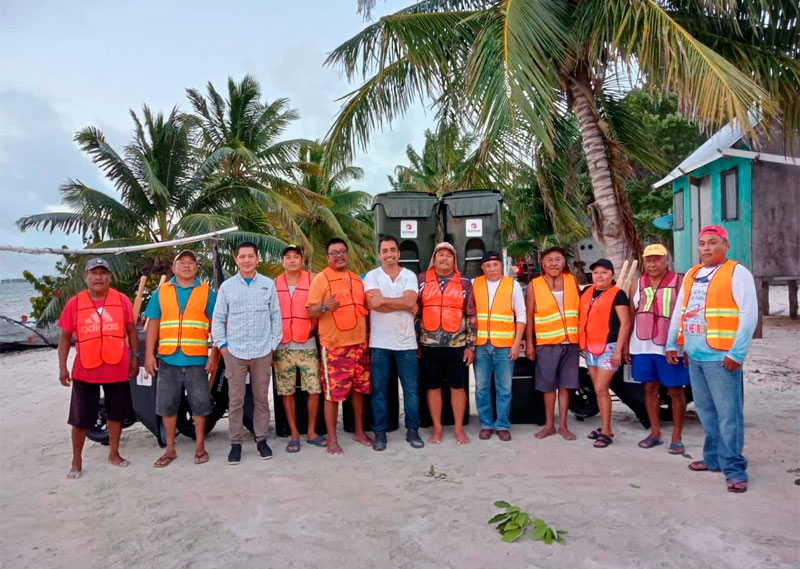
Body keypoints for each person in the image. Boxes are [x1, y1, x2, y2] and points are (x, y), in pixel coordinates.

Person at [666, 225, 758, 493]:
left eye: (713, 242)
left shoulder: (737, 272)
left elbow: (749, 315)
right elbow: (680, 311)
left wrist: (737, 353)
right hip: (695, 355)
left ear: (725, 245)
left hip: (722, 357)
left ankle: (734, 467)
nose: (706, 248)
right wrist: (674, 343)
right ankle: (713, 458)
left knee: (729, 415)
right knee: (706, 411)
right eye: (702, 243)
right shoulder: (692, 274)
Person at [57, 258, 138, 479]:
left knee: (117, 414)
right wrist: (62, 367)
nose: (99, 277)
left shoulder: (121, 301)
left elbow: (131, 330)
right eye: (94, 273)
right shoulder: (74, 303)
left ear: (110, 277)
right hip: (85, 369)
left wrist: (134, 358)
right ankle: (77, 460)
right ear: (86, 278)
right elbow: (64, 338)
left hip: (116, 367)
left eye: (103, 273)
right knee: (81, 419)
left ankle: (114, 454)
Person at [144, 250, 218, 467]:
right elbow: (153, 325)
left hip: (196, 360)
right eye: (182, 262)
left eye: (191, 263)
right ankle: (170, 449)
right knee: (167, 405)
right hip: (168, 359)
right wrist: (149, 354)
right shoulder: (161, 292)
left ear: (196, 269)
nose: (187, 266)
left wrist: (214, 354)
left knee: (200, 405)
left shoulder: (207, 292)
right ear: (173, 268)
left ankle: (200, 447)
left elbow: (217, 324)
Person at [212, 241, 282, 465]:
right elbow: (218, 319)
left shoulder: (267, 285)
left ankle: (261, 439)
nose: (247, 260)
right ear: (236, 260)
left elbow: (276, 318)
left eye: (250, 256)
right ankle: (236, 444)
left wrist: (272, 346)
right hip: (236, 353)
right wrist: (223, 348)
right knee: (235, 400)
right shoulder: (227, 287)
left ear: (257, 258)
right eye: (242, 257)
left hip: (262, 351)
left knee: (261, 399)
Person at [306, 238, 372, 455]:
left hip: (359, 344)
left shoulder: (356, 278)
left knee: (359, 391)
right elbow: (310, 311)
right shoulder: (321, 279)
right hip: (334, 347)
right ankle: (332, 439)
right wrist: (325, 306)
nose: (339, 256)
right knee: (332, 395)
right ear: (327, 257)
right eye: (334, 253)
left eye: (342, 251)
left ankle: (359, 431)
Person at [627, 244, 689, 455]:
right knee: (649, 389)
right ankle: (655, 433)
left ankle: (677, 437)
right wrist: (626, 344)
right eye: (649, 260)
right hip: (642, 346)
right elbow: (630, 316)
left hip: (670, 348)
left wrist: (685, 346)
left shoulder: (679, 282)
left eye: (657, 259)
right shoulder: (636, 284)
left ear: (666, 261)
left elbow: (686, 316)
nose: (653, 264)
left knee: (675, 390)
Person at [364, 235, 424, 451]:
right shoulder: (372, 276)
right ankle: (379, 433)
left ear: (398, 253)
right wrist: (404, 305)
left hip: (406, 343)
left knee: (411, 391)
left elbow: (410, 300)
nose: (389, 254)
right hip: (379, 343)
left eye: (392, 250)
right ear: (379, 254)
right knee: (378, 390)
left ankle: (412, 430)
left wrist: (386, 301)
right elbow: (374, 305)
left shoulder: (409, 275)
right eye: (385, 251)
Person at [417, 242, 476, 445]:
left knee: (457, 387)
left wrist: (470, 345)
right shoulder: (421, 281)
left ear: (454, 259)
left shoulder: (466, 283)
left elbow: (471, 315)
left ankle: (459, 429)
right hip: (428, 345)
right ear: (434, 258)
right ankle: (437, 429)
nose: (444, 258)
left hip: (457, 346)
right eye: (440, 255)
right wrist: (416, 343)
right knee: (432, 387)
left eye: (448, 255)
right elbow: (415, 313)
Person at [525, 246, 581, 440]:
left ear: (564, 263)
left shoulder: (572, 281)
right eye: (549, 260)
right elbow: (529, 317)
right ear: (543, 263)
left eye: (558, 259)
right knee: (548, 387)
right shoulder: (535, 285)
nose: (554, 263)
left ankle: (563, 426)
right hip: (546, 343)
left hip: (571, 343)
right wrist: (530, 344)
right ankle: (549, 425)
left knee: (565, 386)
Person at [274, 245, 325, 452]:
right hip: (282, 346)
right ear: (282, 262)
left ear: (302, 260)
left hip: (308, 344)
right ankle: (294, 433)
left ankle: (311, 431)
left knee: (314, 389)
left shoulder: (313, 280)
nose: (292, 260)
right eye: (288, 257)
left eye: (296, 257)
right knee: (286, 392)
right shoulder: (273, 284)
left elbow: (322, 308)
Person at [578, 258, 631, 448]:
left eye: (604, 272)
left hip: (609, 348)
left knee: (601, 389)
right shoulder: (587, 292)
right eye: (596, 272)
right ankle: (604, 427)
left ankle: (607, 431)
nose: (599, 276)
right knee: (599, 390)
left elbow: (625, 323)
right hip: (591, 347)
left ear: (612, 275)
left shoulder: (618, 294)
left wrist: (619, 350)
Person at [473, 251, 526, 441]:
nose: (492, 269)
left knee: (504, 388)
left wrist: (516, 343)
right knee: (482, 388)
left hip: (504, 346)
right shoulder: (474, 284)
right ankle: (486, 424)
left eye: (495, 265)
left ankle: (502, 425)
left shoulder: (512, 285)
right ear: (483, 268)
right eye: (488, 265)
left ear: (500, 266)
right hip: (480, 345)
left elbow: (521, 316)